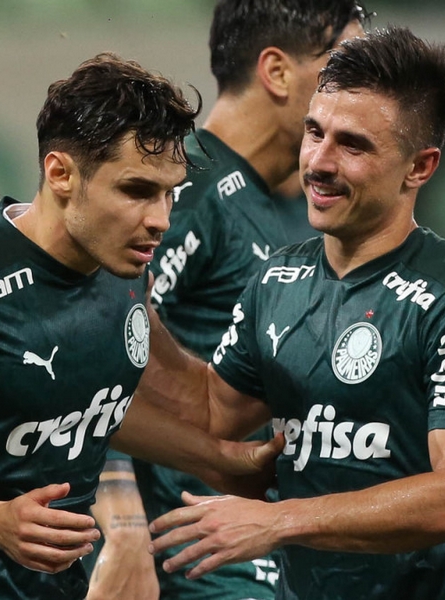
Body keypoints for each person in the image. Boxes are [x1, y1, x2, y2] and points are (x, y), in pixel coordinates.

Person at [0, 53, 283, 600]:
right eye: (136, 191)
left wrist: (216, 461)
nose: (161, 220)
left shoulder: (124, 272)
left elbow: (83, 403)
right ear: (61, 174)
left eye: (169, 193)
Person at [145, 27, 445, 599]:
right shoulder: (276, 281)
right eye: (314, 132)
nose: (318, 162)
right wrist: (130, 309)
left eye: (353, 145)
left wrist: (278, 520)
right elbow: (210, 414)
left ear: (419, 167)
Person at [89, 2, 368, 599]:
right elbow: (92, 340)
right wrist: (124, 523)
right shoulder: (185, 188)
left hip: (259, 557)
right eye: (343, 65)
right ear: (277, 72)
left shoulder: (281, 210)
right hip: (194, 565)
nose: (362, 88)